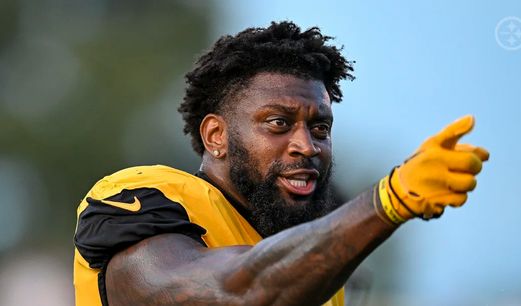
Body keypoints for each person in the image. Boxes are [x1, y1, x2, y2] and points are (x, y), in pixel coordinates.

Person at [73, 21, 489, 306]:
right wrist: (388, 202)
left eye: (321, 128)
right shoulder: (145, 197)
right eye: (279, 123)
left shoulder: (320, 271)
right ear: (215, 136)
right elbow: (231, 293)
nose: (306, 146)